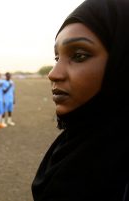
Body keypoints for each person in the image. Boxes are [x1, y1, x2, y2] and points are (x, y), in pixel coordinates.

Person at [31, 0, 129, 200]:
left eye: (79, 55)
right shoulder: (72, 143)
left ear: (122, 62)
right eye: (57, 58)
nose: (53, 74)